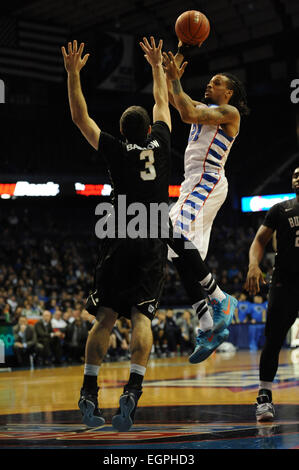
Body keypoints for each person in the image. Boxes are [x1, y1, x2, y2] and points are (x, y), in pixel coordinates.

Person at [61, 37, 171, 431]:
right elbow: (162, 102)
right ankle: (133, 389)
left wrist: (73, 74)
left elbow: (80, 117)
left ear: (122, 130)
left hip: (121, 228)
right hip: (153, 231)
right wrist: (157, 66)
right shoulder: (161, 142)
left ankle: (89, 390)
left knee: (104, 317)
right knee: (142, 317)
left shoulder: (113, 147)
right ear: (148, 128)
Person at [162, 44, 250, 363]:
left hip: (209, 180)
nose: (209, 85)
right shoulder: (201, 106)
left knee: (169, 232)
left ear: (229, 92)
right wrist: (166, 68)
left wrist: (174, 80)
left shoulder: (230, 114)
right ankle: (208, 322)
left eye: (216, 82)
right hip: (191, 184)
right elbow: (176, 100)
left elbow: (185, 111)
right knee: (175, 250)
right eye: (209, 81)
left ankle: (220, 299)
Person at [245, 166, 299, 422]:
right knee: (273, 340)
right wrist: (253, 265)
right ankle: (264, 395)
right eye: (295, 174)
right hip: (284, 283)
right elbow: (259, 241)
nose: (297, 177)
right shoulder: (280, 209)